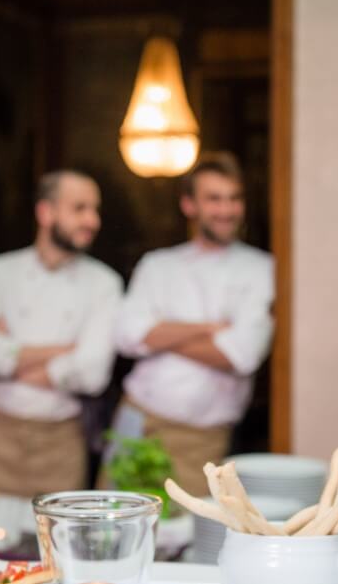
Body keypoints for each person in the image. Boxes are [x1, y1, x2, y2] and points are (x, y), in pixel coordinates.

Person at [114, 152, 275, 496]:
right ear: (189, 205)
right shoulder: (157, 265)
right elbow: (127, 336)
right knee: (110, 533)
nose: (227, 210)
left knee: (184, 538)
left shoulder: (263, 268)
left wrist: (160, 333)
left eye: (234, 199)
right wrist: (207, 329)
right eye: (214, 199)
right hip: (136, 419)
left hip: (202, 437)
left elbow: (240, 355)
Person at [0, 170, 122, 497]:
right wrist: (65, 351)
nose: (92, 220)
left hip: (62, 441)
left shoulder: (105, 283)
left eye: (95, 210)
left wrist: (11, 352)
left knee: (58, 543)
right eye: (79, 208)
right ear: (45, 212)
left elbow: (92, 374)